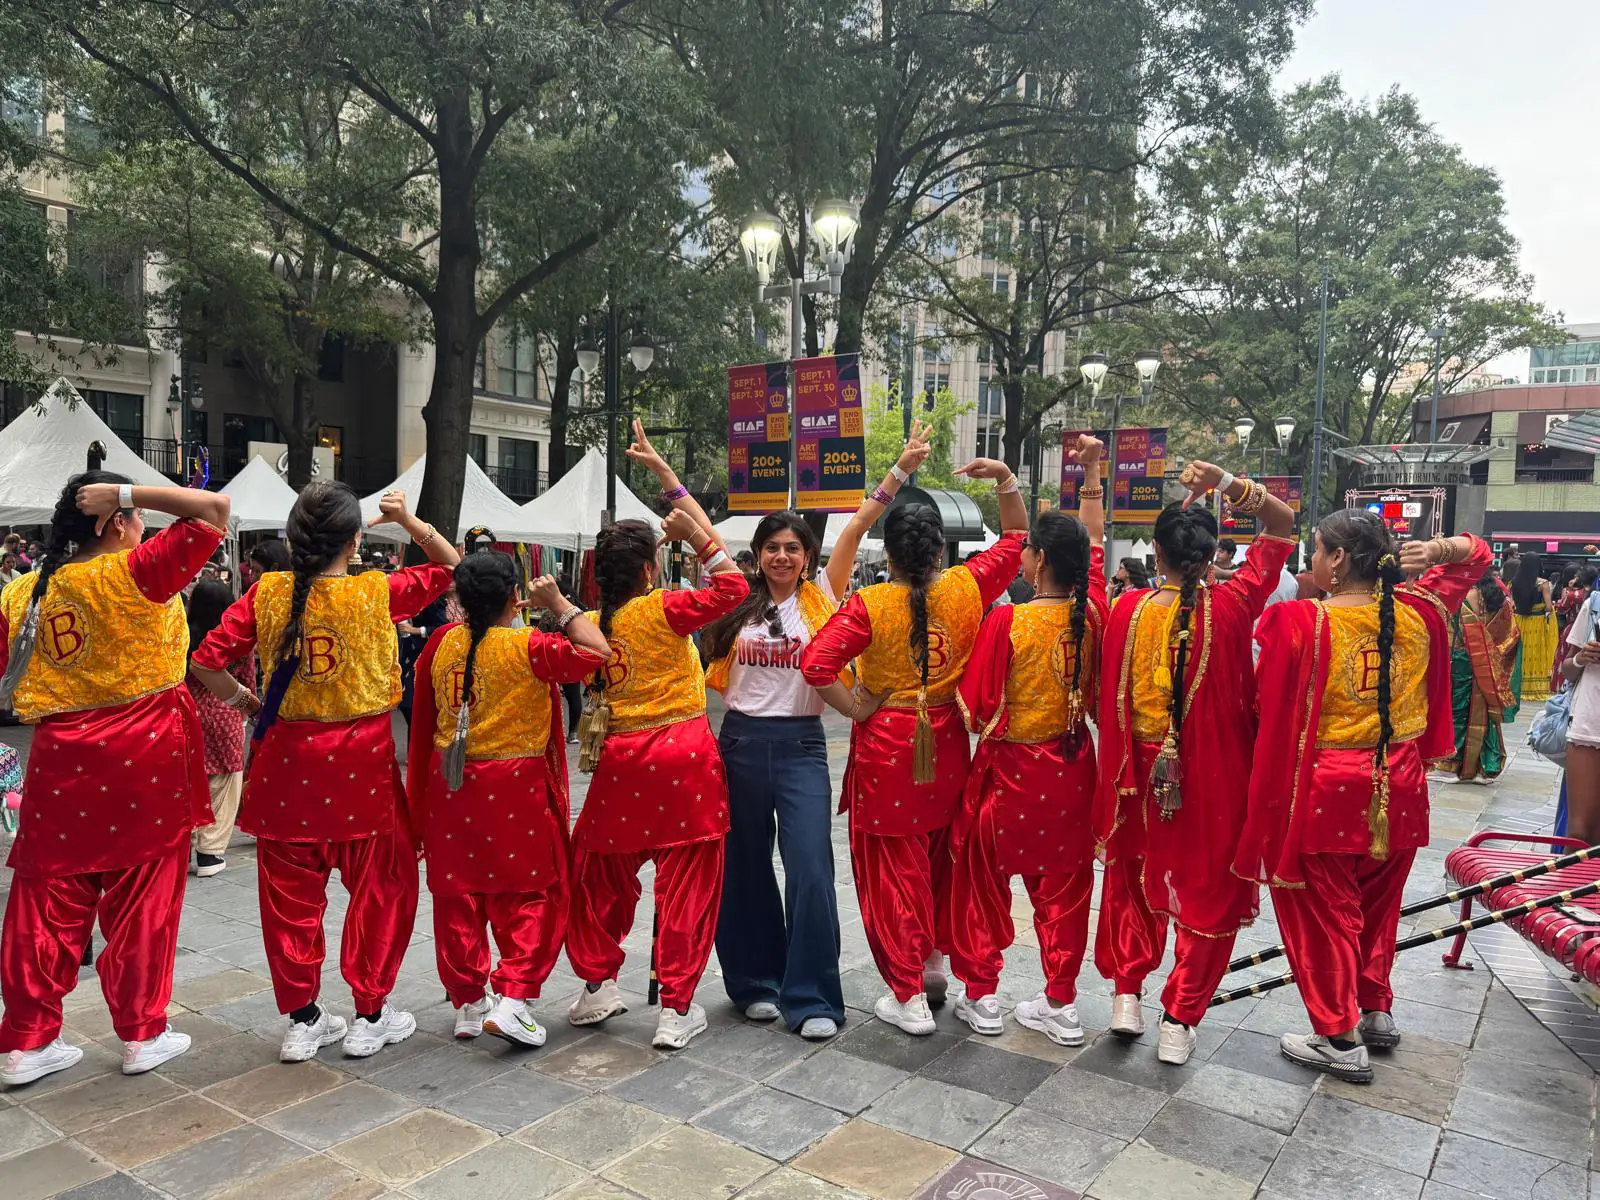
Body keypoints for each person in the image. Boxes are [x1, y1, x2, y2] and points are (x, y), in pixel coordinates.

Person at [190, 483, 459, 1064]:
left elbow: (205, 660)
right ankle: (370, 1013)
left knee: (289, 898)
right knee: (380, 889)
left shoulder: (266, 594)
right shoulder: (375, 592)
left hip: (288, 766)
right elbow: (450, 564)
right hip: (360, 764)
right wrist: (408, 519)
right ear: (355, 539)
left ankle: (304, 1019)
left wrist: (245, 702)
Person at [0, 466, 230, 1085]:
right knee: (142, 896)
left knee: (46, 897)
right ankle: (142, 1031)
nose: (142, 529)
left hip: (58, 756)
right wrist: (127, 493)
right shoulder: (134, 572)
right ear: (114, 521)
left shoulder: (23, 592)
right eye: (136, 519)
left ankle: (26, 1041)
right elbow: (214, 509)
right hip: (141, 750)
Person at [1238, 516, 1488, 1082]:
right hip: (1400, 781)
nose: (1313, 565)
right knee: (1377, 907)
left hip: (1326, 786)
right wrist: (1443, 547)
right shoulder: (1422, 611)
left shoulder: (1299, 621)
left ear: (1341, 559)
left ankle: (1338, 1034)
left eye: (1319, 553)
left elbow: (1262, 706)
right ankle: (1375, 1010)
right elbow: (1478, 556)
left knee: (1323, 912)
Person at [701, 428, 931, 1041]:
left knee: (808, 867)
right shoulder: (738, 603)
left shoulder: (825, 596)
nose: (782, 557)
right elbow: (699, 528)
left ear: (807, 556)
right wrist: (666, 476)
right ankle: (755, 983)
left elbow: (853, 529)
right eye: (772, 547)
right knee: (744, 865)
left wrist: (899, 472)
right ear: (758, 553)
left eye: (793, 548)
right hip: (741, 744)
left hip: (803, 748)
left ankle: (812, 996)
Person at [802, 457, 1028, 1036]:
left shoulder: (869, 605)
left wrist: (856, 706)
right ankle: (932, 967)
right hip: (948, 739)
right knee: (940, 857)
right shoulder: (967, 586)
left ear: (891, 554)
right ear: (938, 550)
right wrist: (1004, 479)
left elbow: (816, 663)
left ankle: (907, 993)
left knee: (892, 868)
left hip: (887, 747)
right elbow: (1017, 538)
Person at [1092, 464, 1297, 1067]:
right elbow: (1282, 523)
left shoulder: (1127, 610)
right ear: (1212, 557)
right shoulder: (1235, 603)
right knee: (1207, 893)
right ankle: (1179, 1018)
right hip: (1210, 779)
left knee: (1132, 879)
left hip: (1136, 773)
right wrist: (1229, 482)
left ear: (1155, 553)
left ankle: (1126, 995)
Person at [565, 421, 748, 1050]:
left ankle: (596, 985)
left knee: (601, 874)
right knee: (688, 880)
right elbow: (734, 587)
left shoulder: (585, 623)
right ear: (648, 570)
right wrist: (695, 537)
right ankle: (676, 1005)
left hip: (619, 761)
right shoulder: (665, 609)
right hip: (682, 756)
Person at [407, 555, 608, 1045]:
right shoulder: (532, 645)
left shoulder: (439, 642)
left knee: (458, 894)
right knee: (531, 892)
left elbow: (421, 723)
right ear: (513, 597)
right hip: (515, 783)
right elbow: (597, 650)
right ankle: (515, 995)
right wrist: (559, 603)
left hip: (449, 782)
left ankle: (470, 1002)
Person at [949, 436, 1107, 1046]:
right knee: (1065, 889)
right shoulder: (1093, 613)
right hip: (1071, 769)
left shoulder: (1007, 621)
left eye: (1025, 555)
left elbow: (976, 712)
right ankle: (1061, 1003)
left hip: (1009, 775)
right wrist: (1091, 470)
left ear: (1038, 561)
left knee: (984, 883)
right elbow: (1090, 545)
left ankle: (983, 996)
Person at [185, 580, 254, 877]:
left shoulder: (182, 636)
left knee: (191, 779)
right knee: (225, 783)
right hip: (226, 713)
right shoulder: (235, 639)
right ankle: (209, 853)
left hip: (187, 713)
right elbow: (248, 680)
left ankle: (188, 843)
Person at [1431, 572, 1520, 785]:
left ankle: (1452, 766)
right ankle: (1483, 767)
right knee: (1485, 713)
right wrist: (1493, 654)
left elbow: (1448, 632)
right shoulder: (1500, 597)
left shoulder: (1461, 596)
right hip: (1489, 663)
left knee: (1458, 711)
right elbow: (1513, 634)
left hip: (1461, 661)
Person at [1511, 553, 1556, 704]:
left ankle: (1518, 685)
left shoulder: (1514, 582)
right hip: (1536, 623)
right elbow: (1549, 606)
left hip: (1519, 621)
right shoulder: (1543, 584)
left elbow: (1511, 604)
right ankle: (1534, 686)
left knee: (1520, 652)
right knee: (1536, 653)